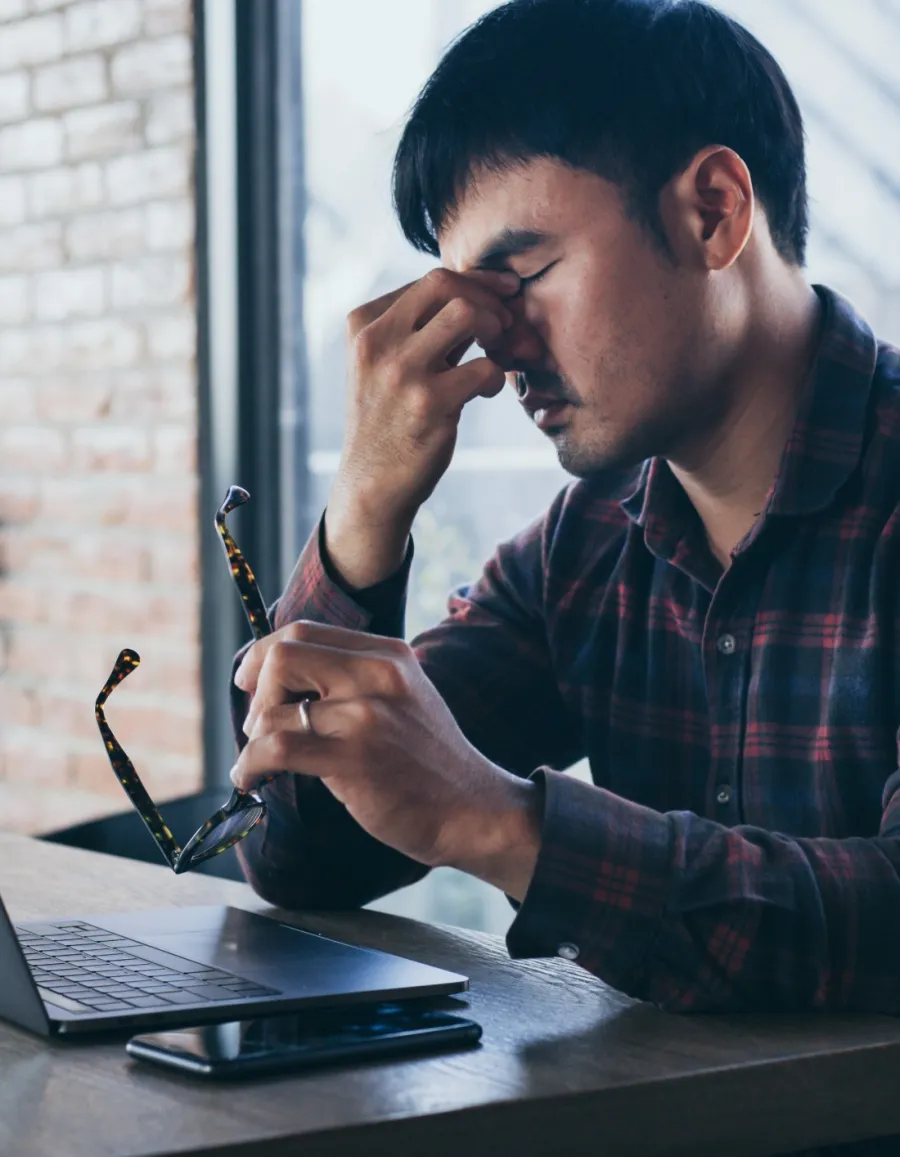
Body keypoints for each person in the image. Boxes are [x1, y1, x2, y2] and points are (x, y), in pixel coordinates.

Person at [229, 0, 900, 1027]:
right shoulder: (583, 548)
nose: (499, 354)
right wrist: (364, 511)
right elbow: (301, 855)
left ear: (713, 212)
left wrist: (501, 821)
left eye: (523, 278)